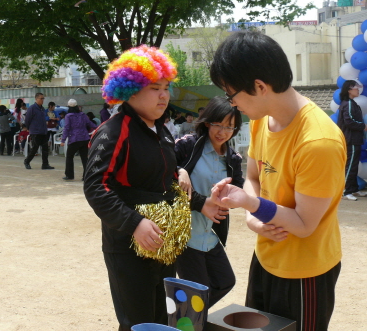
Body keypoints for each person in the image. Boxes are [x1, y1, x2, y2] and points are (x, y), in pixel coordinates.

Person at [208, 31, 345, 331]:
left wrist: (251, 204)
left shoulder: (318, 141)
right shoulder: (261, 119)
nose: (231, 104)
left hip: (305, 270)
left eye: (231, 94)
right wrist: (252, 218)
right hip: (267, 257)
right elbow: (254, 177)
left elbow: (303, 224)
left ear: (259, 86)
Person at [84, 45, 179, 330]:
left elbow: (166, 180)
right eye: (154, 88)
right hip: (127, 244)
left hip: (162, 242)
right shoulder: (113, 130)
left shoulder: (160, 130)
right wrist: (135, 224)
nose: (163, 95)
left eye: (166, 87)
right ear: (130, 90)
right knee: (137, 322)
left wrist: (199, 199)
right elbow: (95, 187)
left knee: (162, 318)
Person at [175, 96, 243, 308]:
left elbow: (238, 191)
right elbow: (161, 168)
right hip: (185, 234)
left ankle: (181, 318)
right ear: (207, 122)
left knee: (224, 282)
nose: (223, 132)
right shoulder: (187, 145)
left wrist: (229, 199)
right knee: (197, 294)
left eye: (230, 127)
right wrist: (181, 170)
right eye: (218, 125)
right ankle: (184, 319)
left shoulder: (233, 159)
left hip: (208, 234)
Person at [337, 80, 367, 201]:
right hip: (350, 139)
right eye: (356, 88)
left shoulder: (351, 103)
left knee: (353, 165)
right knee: (350, 165)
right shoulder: (348, 104)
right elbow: (349, 121)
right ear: (349, 90)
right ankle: (345, 190)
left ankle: (353, 189)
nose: (358, 90)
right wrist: (363, 126)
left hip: (355, 139)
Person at [61, 99, 97, 181]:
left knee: (69, 156)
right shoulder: (83, 115)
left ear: (69, 107)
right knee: (84, 158)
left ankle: (69, 175)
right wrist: (99, 127)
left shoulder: (68, 116)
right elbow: (90, 124)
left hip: (74, 139)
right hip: (84, 138)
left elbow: (66, 128)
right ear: (77, 106)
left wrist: (63, 140)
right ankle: (86, 176)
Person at [23, 93, 54, 170]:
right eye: (41, 98)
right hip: (35, 131)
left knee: (45, 148)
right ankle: (27, 161)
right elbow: (27, 120)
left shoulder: (42, 109)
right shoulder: (32, 108)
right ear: (36, 99)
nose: (42, 100)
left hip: (43, 131)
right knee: (34, 148)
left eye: (43, 98)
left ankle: (45, 164)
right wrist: (29, 128)